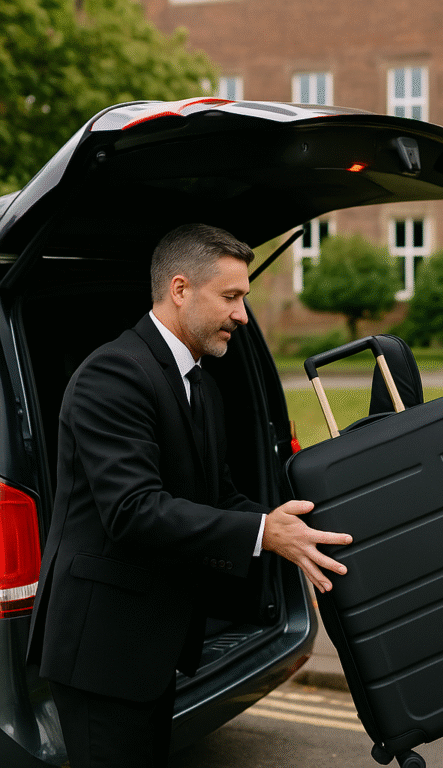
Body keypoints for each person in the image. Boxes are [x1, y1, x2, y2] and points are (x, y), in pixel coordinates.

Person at [27, 223, 352, 768]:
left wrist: (283, 526)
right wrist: (260, 533)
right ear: (180, 290)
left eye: (243, 298)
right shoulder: (112, 375)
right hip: (102, 650)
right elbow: (133, 512)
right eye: (231, 297)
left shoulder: (199, 380)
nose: (243, 316)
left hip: (150, 648)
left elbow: (218, 494)